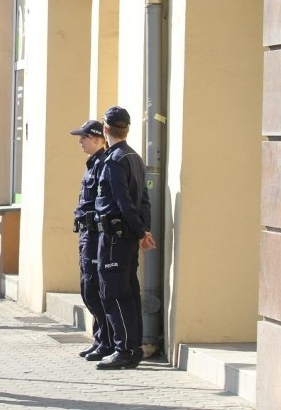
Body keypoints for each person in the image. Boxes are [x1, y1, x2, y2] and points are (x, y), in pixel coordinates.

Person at [93, 106, 157, 369]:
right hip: (128, 235)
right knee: (129, 293)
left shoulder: (116, 159)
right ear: (127, 128)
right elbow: (144, 200)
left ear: (105, 129)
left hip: (115, 237)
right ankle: (132, 349)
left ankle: (124, 350)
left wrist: (141, 232)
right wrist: (143, 230)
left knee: (114, 294)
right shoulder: (134, 157)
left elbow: (123, 200)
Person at [69, 119, 112, 361]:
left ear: (98, 138)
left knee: (95, 288)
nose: (80, 141)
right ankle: (100, 338)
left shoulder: (105, 163)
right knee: (88, 288)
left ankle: (106, 340)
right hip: (87, 234)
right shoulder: (93, 163)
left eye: (84, 137)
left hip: (96, 235)